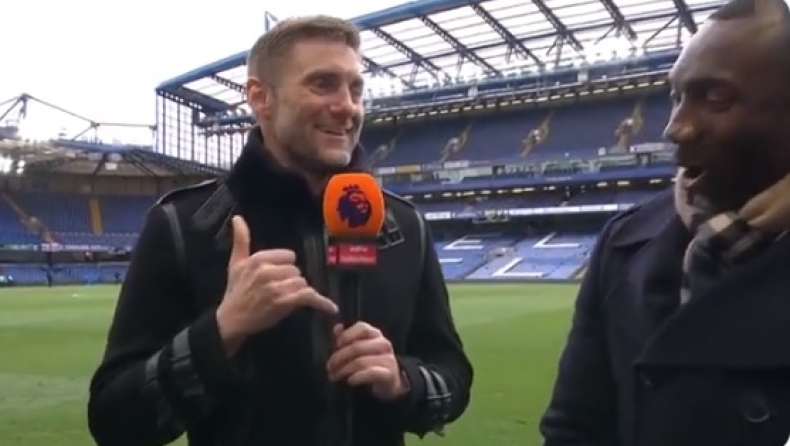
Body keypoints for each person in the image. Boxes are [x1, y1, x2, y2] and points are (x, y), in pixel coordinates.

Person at [87, 15, 473, 446]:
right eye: (323, 84)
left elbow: (454, 379)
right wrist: (222, 331)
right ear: (260, 97)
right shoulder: (184, 225)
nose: (348, 106)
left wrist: (404, 380)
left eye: (355, 89)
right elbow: (114, 422)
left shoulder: (403, 225)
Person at [539, 0, 790, 445]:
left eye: (716, 98)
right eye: (676, 97)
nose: (675, 128)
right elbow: (574, 426)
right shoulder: (622, 242)